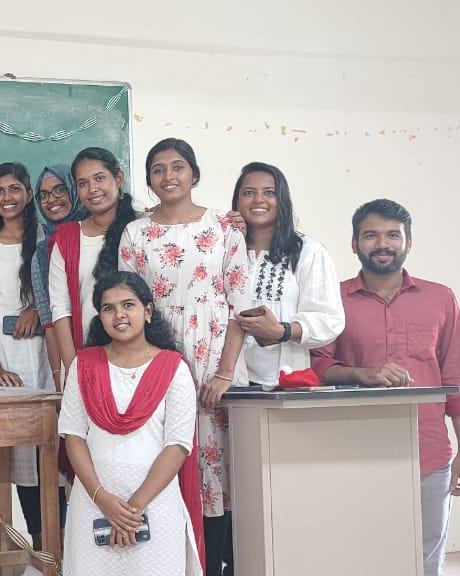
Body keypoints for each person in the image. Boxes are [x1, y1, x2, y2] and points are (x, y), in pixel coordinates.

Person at [311, 199, 460, 576]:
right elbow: (316, 366)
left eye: (392, 235)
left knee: (424, 556)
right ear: (354, 243)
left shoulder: (441, 298)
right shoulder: (331, 301)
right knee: (360, 554)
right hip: (354, 451)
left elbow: (459, 378)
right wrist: (361, 373)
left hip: (429, 451)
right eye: (371, 235)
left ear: (408, 243)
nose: (382, 244)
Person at [118, 138, 250, 576]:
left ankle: (220, 565)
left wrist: (226, 372)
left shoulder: (225, 227)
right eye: (158, 169)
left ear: (194, 174)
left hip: (216, 358)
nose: (168, 176)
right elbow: (130, 305)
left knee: (219, 469)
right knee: (168, 459)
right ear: (150, 179)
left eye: (178, 167)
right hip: (160, 358)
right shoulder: (136, 232)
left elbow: (240, 306)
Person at [59, 271, 204, 575]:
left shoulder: (173, 368)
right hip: (93, 503)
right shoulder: (83, 365)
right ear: (100, 317)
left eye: (128, 305)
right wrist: (103, 499)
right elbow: (73, 437)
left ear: (147, 311)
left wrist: (132, 509)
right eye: (109, 308)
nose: (119, 314)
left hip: (154, 503)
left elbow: (177, 445)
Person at [0, 162, 58, 551]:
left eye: (15, 189)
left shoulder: (47, 236)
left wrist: (37, 308)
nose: (7, 197)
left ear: (28, 194)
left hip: (49, 355)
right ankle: (39, 543)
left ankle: (63, 542)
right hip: (6, 358)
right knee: (23, 460)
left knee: (57, 453)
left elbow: (59, 292)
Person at [230, 162, 344, 387]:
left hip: (282, 383)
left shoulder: (307, 252)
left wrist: (282, 331)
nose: (258, 200)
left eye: (270, 193)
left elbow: (330, 319)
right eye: (249, 193)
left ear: (282, 200)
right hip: (228, 381)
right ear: (237, 201)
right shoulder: (226, 249)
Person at [49, 148, 139, 374]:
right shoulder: (67, 238)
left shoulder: (142, 229)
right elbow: (60, 309)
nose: (92, 190)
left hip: (139, 359)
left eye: (99, 178)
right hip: (86, 357)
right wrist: (73, 368)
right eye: (82, 183)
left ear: (118, 178)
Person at [31, 163, 88, 389]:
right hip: (72, 359)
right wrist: (60, 382)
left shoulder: (105, 233)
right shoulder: (43, 253)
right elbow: (50, 322)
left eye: (59, 190)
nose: (51, 200)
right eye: (43, 195)